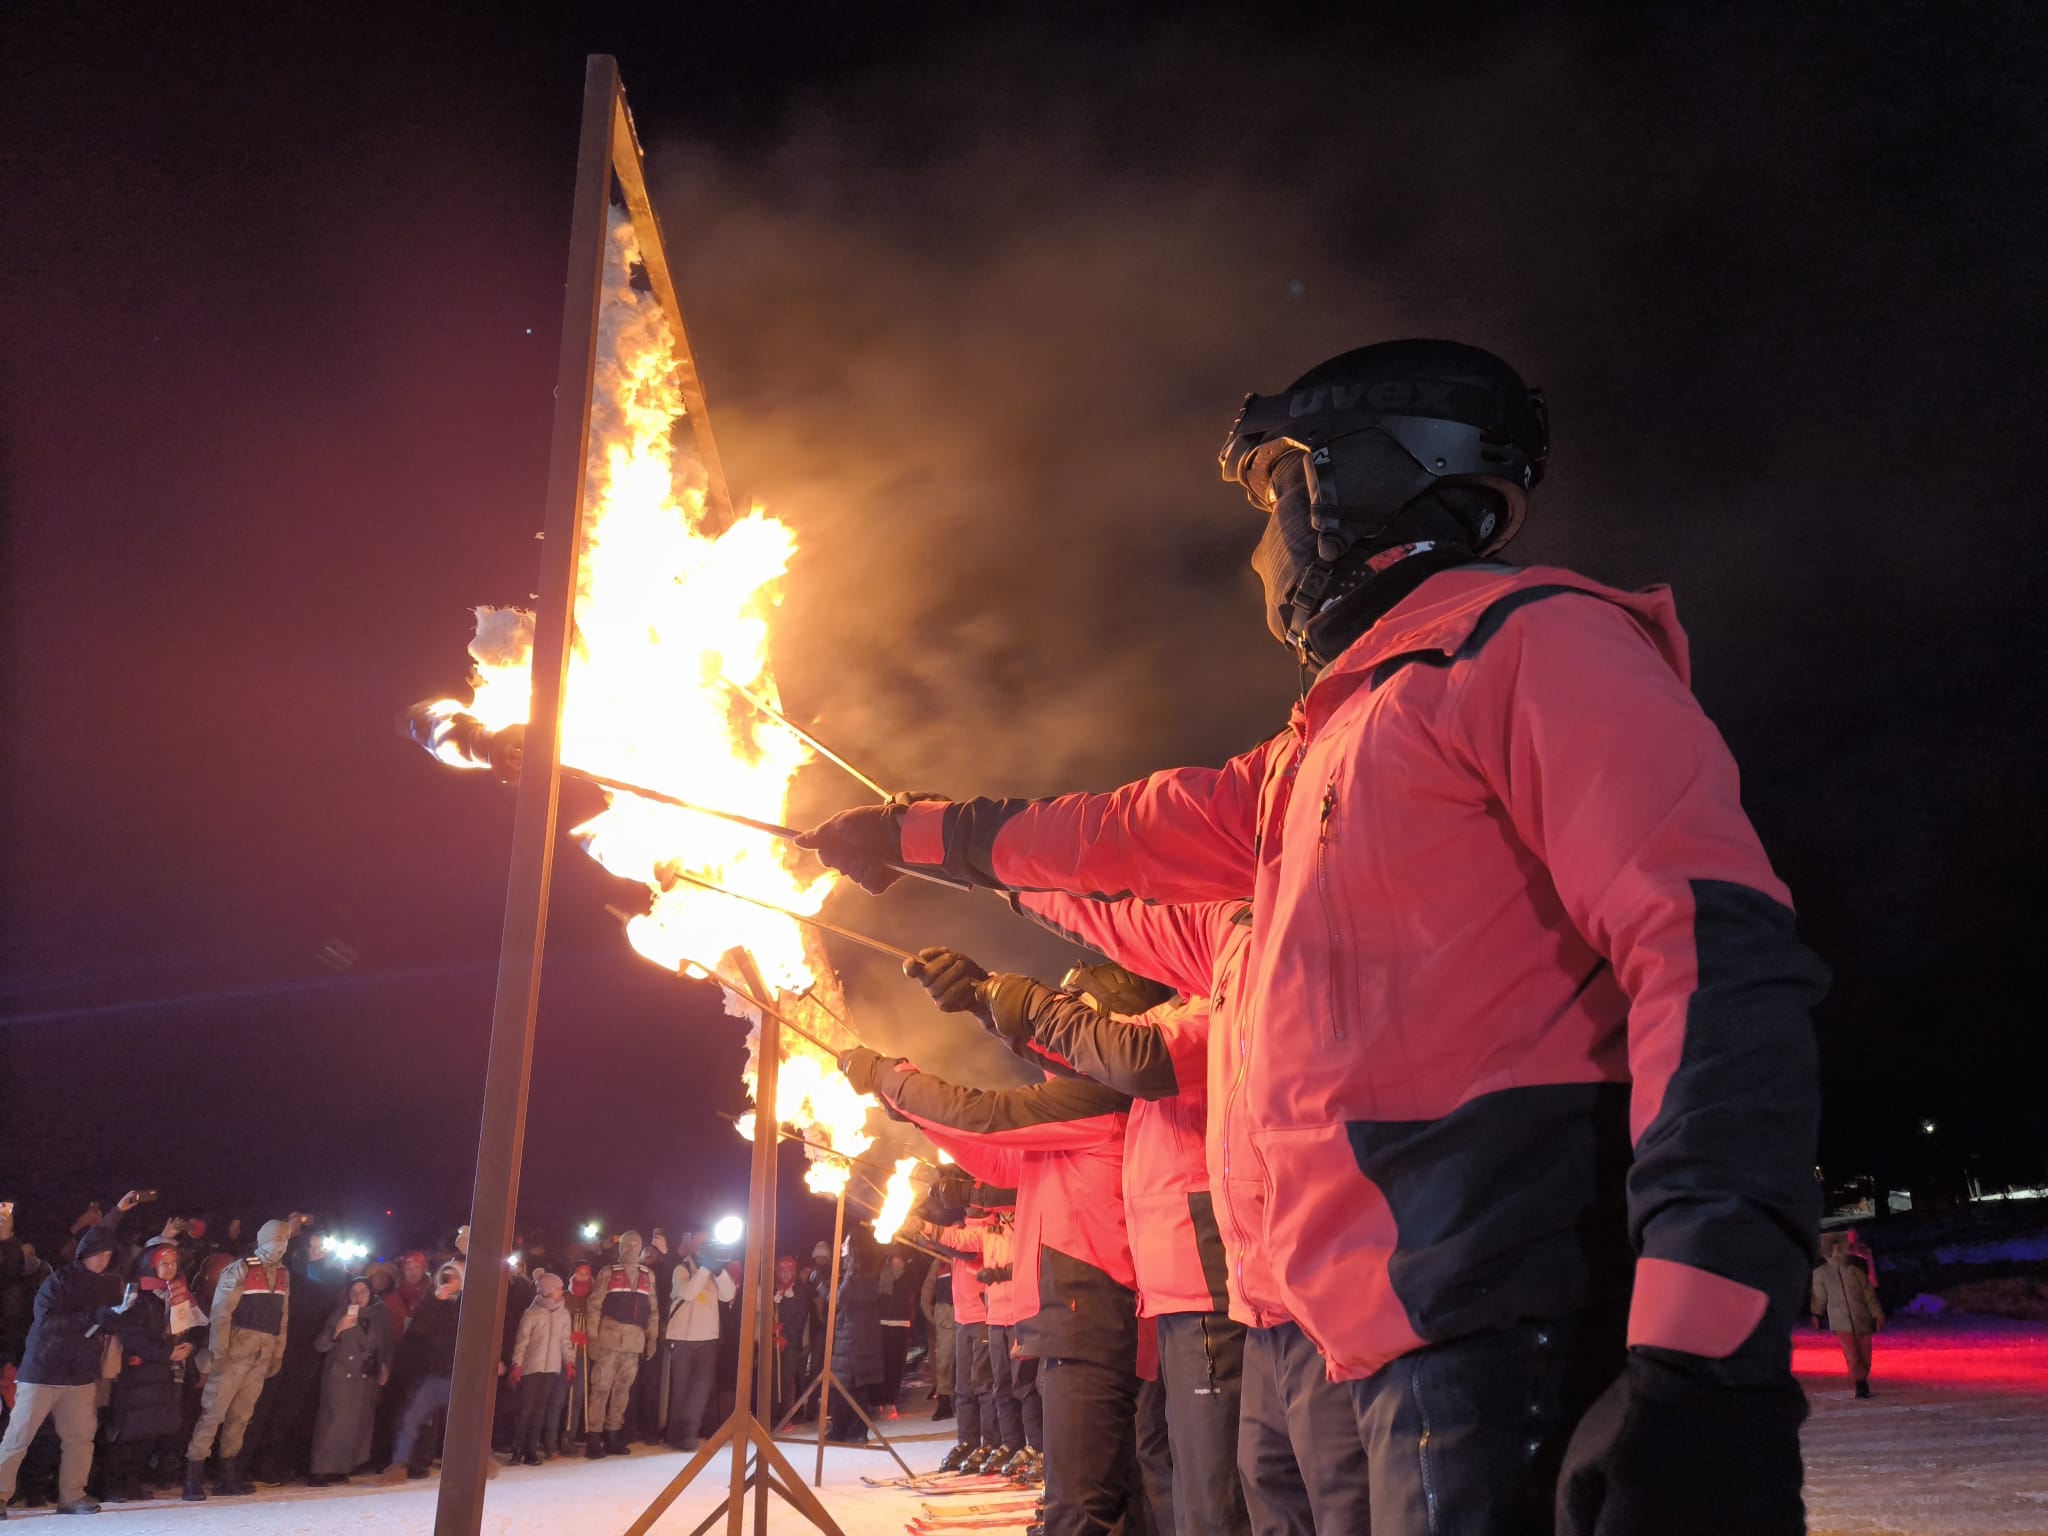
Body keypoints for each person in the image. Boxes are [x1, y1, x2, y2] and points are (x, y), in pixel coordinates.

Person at [804, 338, 1827, 1536]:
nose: (1261, 548)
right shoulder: (1326, 741)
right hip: (1332, 1327)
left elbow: (1716, 961)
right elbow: (1132, 836)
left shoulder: (1526, 648)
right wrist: (927, 836)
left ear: (1353, 484)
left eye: (1273, 496)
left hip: (1484, 1311)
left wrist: (1708, 1347)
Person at [841, 1045, 1136, 1536]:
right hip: (1062, 1314)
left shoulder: (1092, 1098)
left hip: (1091, 1310)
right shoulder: (1058, 1134)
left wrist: (896, 1081)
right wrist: (914, 1115)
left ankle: (1051, 1481)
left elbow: (985, 1118)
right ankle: (1054, 1487)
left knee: (1080, 1479)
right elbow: (996, 1161)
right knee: (1060, 1453)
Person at [0, 1193, 139, 1515]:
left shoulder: (108, 1284)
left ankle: (72, 1495)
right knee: (18, 1438)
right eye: (97, 1255)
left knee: (80, 1439)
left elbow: (109, 1320)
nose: (103, 1259)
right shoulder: (58, 1280)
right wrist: (95, 1317)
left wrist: (118, 1315)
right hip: (42, 1372)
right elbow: (47, 1322)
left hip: (79, 1376)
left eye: (107, 1255)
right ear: (84, 1254)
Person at [185, 1213, 302, 1500]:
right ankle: (193, 1475)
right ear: (263, 1240)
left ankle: (228, 1474)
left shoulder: (283, 1274)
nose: (281, 1244)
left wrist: (278, 1352)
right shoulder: (240, 1270)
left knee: (241, 1417)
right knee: (213, 1414)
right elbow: (221, 1314)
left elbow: (282, 1318)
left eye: (285, 1239)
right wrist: (218, 1351)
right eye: (277, 1238)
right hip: (235, 1352)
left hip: (260, 1356)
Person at [100, 1236, 209, 1502]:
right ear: (151, 1265)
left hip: (168, 1373)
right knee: (130, 1430)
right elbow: (133, 1336)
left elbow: (194, 1328)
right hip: (140, 1373)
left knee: (153, 1429)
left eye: (173, 1263)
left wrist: (188, 1348)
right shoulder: (139, 1294)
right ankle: (111, 1485)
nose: (170, 1268)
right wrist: (166, 1352)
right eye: (164, 1263)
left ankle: (132, 1482)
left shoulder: (180, 1292)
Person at [378, 1257, 464, 1482]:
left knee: (461, 1422)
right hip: (429, 1370)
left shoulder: (467, 1305)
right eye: (445, 1276)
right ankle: (401, 1464)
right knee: (413, 1417)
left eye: (453, 1276)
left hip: (456, 1371)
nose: (448, 1280)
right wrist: (437, 1302)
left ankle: (471, 1462)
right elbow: (419, 1333)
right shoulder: (431, 1302)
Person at [309, 1276, 393, 1485]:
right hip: (341, 1376)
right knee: (334, 1423)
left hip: (365, 1377)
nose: (358, 1296)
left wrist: (384, 1365)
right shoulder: (339, 1313)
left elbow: (385, 1342)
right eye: (354, 1292)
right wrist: (338, 1330)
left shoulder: (379, 1315)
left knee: (356, 1424)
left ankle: (342, 1467)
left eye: (363, 1291)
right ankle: (320, 1469)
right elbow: (320, 1344)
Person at [585, 1231, 660, 1458]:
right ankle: (594, 1435)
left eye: (636, 1245)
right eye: (628, 1245)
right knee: (601, 1388)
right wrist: (593, 1338)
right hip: (609, 1338)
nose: (632, 1249)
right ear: (621, 1247)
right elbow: (594, 1305)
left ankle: (613, 1433)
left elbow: (653, 1310)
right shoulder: (608, 1272)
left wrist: (652, 1338)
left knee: (622, 1390)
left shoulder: (649, 1275)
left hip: (634, 1341)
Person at [663, 1236, 735, 1452]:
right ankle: (675, 1433)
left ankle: (688, 1432)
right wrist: (705, 1268)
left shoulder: (714, 1271)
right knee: (681, 1389)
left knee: (701, 1390)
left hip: (708, 1339)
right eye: (700, 1244)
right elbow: (688, 1293)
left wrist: (719, 1270)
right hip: (683, 1338)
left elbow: (729, 1294)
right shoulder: (681, 1269)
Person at [509, 1270, 575, 1464]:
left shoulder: (563, 1314)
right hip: (532, 1367)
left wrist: (569, 1362)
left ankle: (531, 1450)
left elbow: (565, 1341)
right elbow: (522, 1342)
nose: (561, 1291)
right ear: (547, 1291)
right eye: (558, 1288)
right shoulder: (532, 1314)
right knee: (526, 1409)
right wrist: (517, 1364)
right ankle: (517, 1449)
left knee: (540, 1410)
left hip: (551, 1368)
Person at [826, 1229, 886, 1443]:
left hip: (852, 1335)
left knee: (844, 1384)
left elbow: (838, 1300)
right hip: (861, 1333)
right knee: (856, 1385)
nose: (842, 1246)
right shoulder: (870, 1273)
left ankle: (845, 1430)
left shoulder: (854, 1277)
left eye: (846, 1243)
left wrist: (820, 1283)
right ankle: (851, 1429)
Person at [1812, 1232, 1885, 1399]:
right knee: (1852, 1354)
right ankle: (1860, 1383)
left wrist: (1877, 1314)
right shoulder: (1821, 1274)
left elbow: (1869, 1294)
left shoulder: (1855, 1270)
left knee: (1864, 1355)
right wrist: (1816, 1313)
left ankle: (1862, 1377)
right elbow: (1820, 1296)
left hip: (1862, 1317)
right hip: (1840, 1320)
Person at [771, 1255, 812, 1424]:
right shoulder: (773, 1290)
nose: (785, 1274)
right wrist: (772, 1329)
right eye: (782, 1271)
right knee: (773, 1378)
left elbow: (801, 1316)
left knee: (787, 1378)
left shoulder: (799, 1291)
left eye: (788, 1271)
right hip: (773, 1340)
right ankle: (772, 1414)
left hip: (791, 1342)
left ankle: (787, 1416)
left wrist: (786, 1335)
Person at [876, 1252, 916, 1416]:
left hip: (901, 1325)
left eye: (902, 1260)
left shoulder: (907, 1279)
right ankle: (880, 1399)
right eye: (897, 1259)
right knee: (883, 1365)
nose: (900, 1263)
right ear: (890, 1260)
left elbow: (911, 1302)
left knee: (897, 1367)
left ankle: (891, 1401)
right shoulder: (881, 1278)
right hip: (883, 1325)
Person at [920, 1251, 956, 1420]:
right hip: (947, 1319)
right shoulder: (939, 1262)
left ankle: (972, 1403)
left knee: (973, 1364)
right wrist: (934, 1317)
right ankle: (944, 1403)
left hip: (971, 1317)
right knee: (944, 1362)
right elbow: (927, 1290)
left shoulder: (972, 1256)